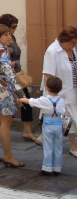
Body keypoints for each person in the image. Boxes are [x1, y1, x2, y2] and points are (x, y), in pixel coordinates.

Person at [0, 23, 25, 168]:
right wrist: (20, 92)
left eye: (9, 34)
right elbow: (8, 73)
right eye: (6, 35)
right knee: (6, 123)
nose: (10, 37)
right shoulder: (1, 50)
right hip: (2, 89)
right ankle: (8, 157)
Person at [0, 14, 39, 144]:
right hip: (8, 77)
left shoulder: (12, 38)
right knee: (2, 107)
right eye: (13, 27)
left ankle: (27, 131)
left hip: (17, 75)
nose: (15, 29)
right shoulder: (0, 42)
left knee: (25, 101)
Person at [41, 26, 77, 156]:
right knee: (71, 120)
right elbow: (48, 75)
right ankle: (73, 146)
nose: (74, 46)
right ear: (64, 40)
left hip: (73, 90)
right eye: (72, 43)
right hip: (60, 93)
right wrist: (50, 97)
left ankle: (44, 138)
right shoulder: (52, 51)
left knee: (70, 120)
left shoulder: (72, 50)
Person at [19, 76, 65, 175]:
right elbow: (63, 112)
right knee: (58, 147)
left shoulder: (44, 100)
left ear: (47, 88)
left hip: (48, 126)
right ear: (61, 89)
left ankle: (47, 168)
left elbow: (32, 102)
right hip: (58, 126)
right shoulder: (62, 101)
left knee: (48, 146)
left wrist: (22, 99)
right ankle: (57, 168)